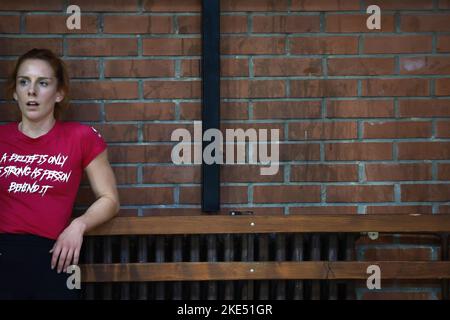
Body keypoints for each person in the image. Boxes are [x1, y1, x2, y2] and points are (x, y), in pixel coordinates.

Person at [0, 48, 120, 299]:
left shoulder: (81, 137)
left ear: (59, 93)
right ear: (14, 91)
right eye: (24, 82)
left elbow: (109, 200)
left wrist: (79, 225)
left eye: (42, 83)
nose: (31, 91)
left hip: (54, 254)